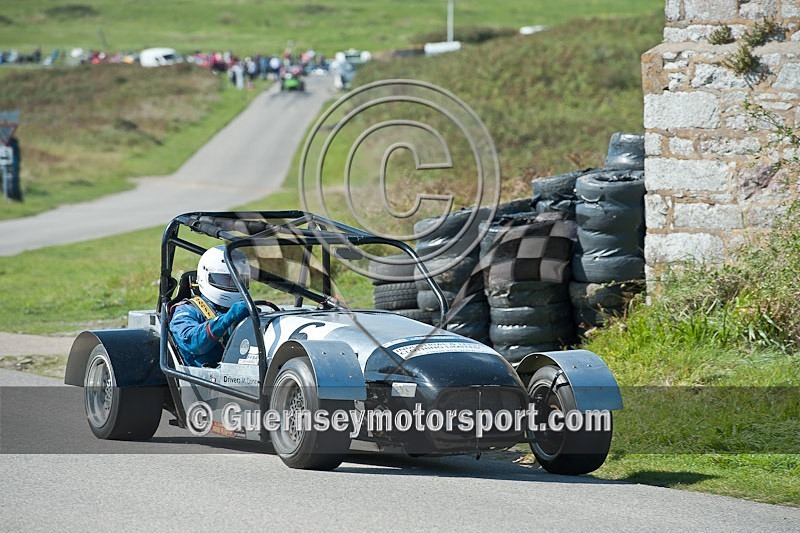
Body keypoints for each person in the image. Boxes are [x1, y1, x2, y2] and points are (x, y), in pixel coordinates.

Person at [169, 245, 252, 367]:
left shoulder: (243, 309)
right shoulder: (187, 309)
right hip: (207, 377)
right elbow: (191, 341)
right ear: (205, 277)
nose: (233, 284)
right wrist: (225, 320)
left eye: (238, 280)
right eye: (225, 280)